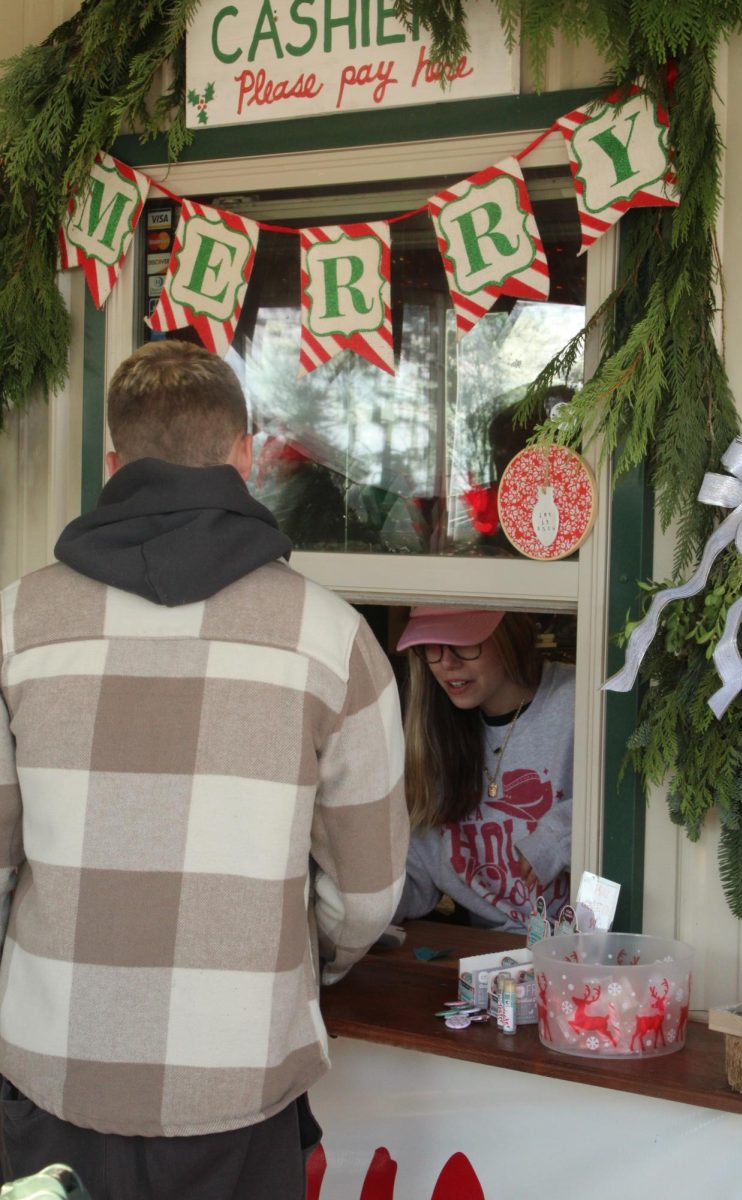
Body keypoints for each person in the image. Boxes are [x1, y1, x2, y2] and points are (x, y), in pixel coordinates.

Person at [0, 341, 408, 1200]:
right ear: (242, 455)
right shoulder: (330, 639)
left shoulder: (15, 626)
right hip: (239, 1082)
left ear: (112, 464)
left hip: (54, 1076)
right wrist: (294, 955)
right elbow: (367, 895)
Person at [394, 606, 574, 933]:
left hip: (582, 958)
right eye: (432, 646)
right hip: (490, 962)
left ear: (509, 635)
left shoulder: (577, 701)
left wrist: (560, 834)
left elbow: (630, 802)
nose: (448, 662)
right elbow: (415, 885)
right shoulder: (431, 738)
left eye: (464, 642)